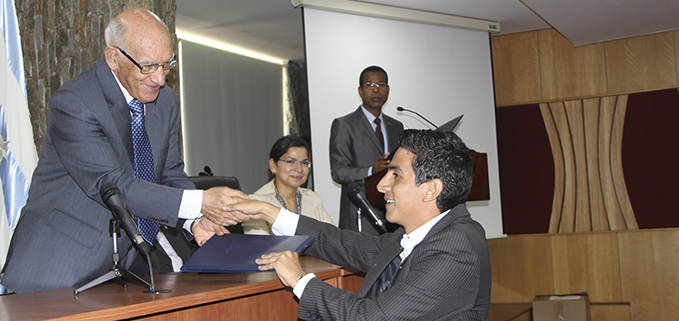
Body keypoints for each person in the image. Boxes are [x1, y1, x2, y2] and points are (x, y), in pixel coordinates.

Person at [1, 8, 246, 294]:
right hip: (57, 268)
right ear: (113, 58)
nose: (159, 78)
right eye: (148, 66)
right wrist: (201, 202)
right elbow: (115, 186)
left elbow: (169, 173)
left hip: (123, 266)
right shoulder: (75, 102)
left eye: (167, 65)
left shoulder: (164, 101)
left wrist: (193, 221)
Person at [225, 129, 492, 320]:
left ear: (431, 189)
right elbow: (345, 244)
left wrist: (299, 279)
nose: (381, 185)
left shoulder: (455, 246)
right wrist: (270, 212)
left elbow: (372, 317)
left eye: (395, 175)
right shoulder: (421, 235)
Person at [329, 65, 404, 235]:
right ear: (360, 91)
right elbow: (338, 172)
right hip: (360, 215)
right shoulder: (344, 125)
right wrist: (371, 170)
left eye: (381, 85)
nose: (376, 90)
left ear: (388, 90)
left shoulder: (396, 126)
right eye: (370, 85)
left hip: (393, 213)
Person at [242, 135, 334, 234]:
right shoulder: (255, 202)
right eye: (290, 161)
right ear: (273, 165)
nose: (299, 169)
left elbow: (333, 238)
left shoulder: (313, 198)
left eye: (304, 163)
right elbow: (261, 245)